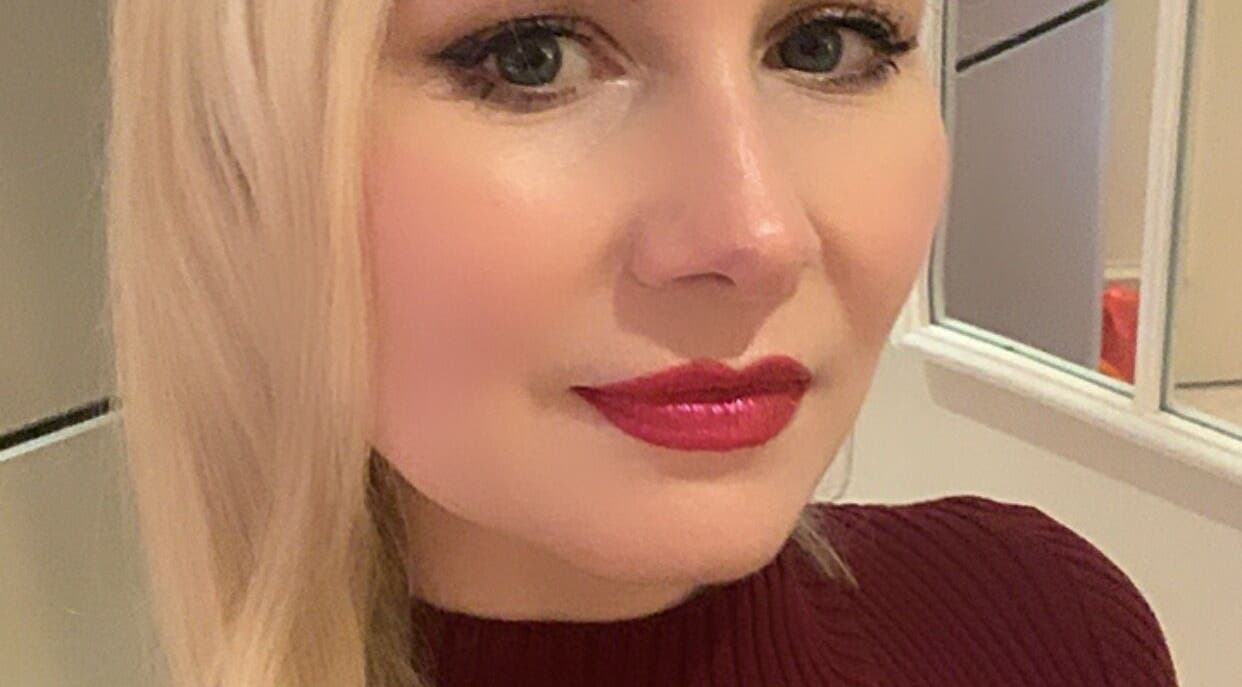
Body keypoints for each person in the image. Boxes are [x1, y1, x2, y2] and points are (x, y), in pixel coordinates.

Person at [104, 1, 1179, 685]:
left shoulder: (1049, 633)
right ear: (240, 154)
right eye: (533, 59)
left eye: (826, 43)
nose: (756, 234)